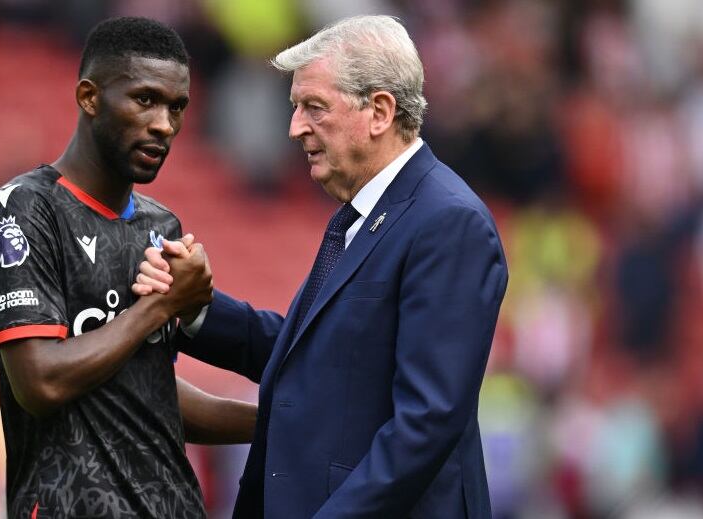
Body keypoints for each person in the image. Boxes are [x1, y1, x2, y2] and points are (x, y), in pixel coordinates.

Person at [135, 15, 508, 518]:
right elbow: (317, 357)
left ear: (379, 111)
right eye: (295, 108)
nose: (294, 128)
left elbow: (427, 421)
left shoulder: (448, 223)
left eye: (314, 107)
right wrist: (196, 309)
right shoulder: (367, 214)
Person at [0, 17, 256, 518]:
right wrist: (161, 307)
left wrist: (275, 422)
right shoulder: (23, 211)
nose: (164, 125)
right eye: (145, 99)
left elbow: (150, 390)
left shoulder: (161, 226)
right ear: (89, 97)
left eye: (177, 107)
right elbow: (40, 383)